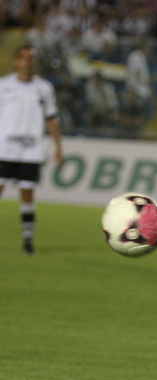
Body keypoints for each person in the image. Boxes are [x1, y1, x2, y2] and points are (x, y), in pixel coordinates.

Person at [0, 45, 63, 254]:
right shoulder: (3, 85)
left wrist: (58, 146)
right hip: (4, 149)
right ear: (15, 61)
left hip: (30, 150)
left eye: (31, 58)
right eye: (23, 57)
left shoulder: (44, 88)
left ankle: (28, 240)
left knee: (27, 194)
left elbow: (51, 118)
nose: (27, 61)